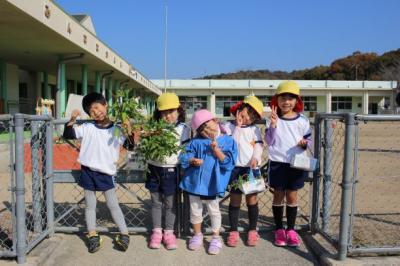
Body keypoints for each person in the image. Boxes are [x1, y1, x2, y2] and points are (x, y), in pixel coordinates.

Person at [63, 92, 131, 253]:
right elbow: (68, 134)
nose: (95, 111)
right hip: (88, 171)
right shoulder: (87, 127)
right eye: (90, 110)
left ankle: (124, 233)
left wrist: (128, 128)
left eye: (97, 107)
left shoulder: (115, 129)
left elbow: (129, 145)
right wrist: (72, 120)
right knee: (90, 205)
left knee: (113, 204)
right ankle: (93, 234)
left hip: (106, 173)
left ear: (105, 105)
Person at [179, 109, 237, 255]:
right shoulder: (195, 142)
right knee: (195, 209)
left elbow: (229, 164)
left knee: (214, 210)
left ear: (216, 120)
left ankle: (216, 237)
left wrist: (217, 150)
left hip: (212, 183)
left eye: (207, 124)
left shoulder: (228, 141)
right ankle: (197, 234)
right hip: (194, 183)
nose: (206, 130)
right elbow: (184, 157)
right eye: (202, 129)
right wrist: (192, 160)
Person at [265, 80, 312, 247]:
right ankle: (278, 229)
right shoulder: (272, 119)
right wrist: (273, 125)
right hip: (277, 162)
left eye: (291, 98)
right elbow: (269, 141)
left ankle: (291, 229)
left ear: (296, 101)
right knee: (278, 194)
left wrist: (305, 144)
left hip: (296, 163)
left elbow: (309, 140)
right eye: (283, 98)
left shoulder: (303, 120)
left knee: (292, 195)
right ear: (276, 101)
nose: (286, 102)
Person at [146, 93, 190, 250]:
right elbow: (144, 145)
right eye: (164, 112)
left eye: (171, 111)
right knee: (156, 202)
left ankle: (169, 232)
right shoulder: (153, 127)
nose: (168, 116)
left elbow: (185, 151)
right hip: (154, 168)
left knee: (170, 203)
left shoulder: (184, 129)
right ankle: (157, 232)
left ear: (179, 110)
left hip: (172, 170)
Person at [223, 95, 264, 247]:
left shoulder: (255, 130)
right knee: (235, 200)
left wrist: (256, 158)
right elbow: (230, 144)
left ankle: (252, 230)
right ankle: (233, 231)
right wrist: (238, 127)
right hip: (234, 169)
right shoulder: (228, 127)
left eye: (253, 117)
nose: (249, 118)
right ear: (239, 109)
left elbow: (259, 146)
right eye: (248, 113)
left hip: (250, 169)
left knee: (252, 199)